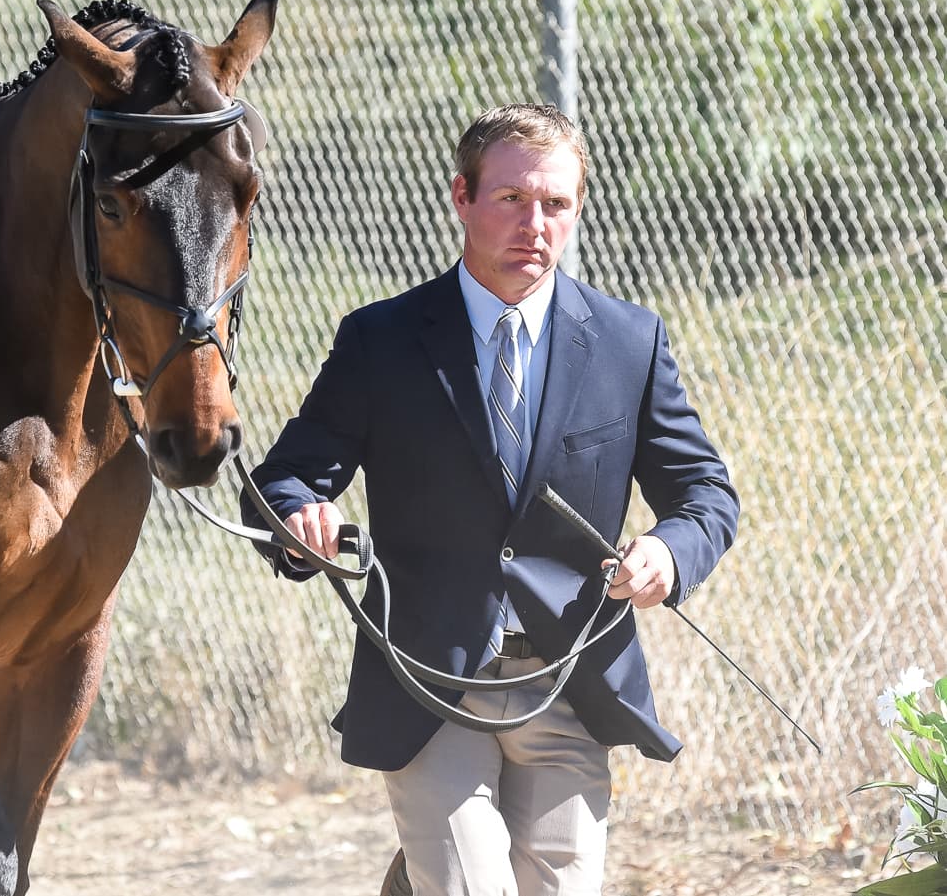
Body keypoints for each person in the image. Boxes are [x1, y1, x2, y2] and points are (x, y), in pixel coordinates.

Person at [241, 103, 739, 896]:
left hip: (571, 676)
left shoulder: (629, 342)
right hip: (428, 682)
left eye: (556, 203)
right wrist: (304, 518)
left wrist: (668, 553)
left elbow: (705, 493)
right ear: (461, 197)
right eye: (510, 198)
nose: (534, 224)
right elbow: (284, 479)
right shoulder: (381, 341)